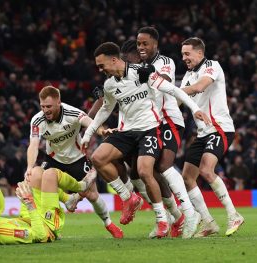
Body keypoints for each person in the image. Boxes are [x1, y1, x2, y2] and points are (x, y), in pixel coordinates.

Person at [82, 42, 210, 238]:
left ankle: (165, 220)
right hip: (126, 132)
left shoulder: (142, 73)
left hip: (149, 130)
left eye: (102, 65)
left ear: (114, 60)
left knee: (145, 171)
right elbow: (105, 109)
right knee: (98, 158)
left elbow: (172, 89)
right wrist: (88, 134)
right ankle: (128, 197)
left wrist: (195, 109)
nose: (100, 70)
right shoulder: (109, 84)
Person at [142, 37, 244, 237]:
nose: (184, 58)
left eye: (187, 54)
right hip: (202, 133)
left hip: (220, 128)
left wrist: (172, 91)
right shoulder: (187, 76)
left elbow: (199, 87)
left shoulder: (211, 66)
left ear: (200, 52)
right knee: (188, 177)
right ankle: (208, 222)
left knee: (207, 170)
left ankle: (234, 215)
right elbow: (177, 103)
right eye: (182, 55)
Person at [26, 85, 123, 238]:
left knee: (92, 195)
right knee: (37, 178)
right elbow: (33, 145)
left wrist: (101, 131)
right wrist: (29, 167)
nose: (45, 110)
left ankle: (108, 223)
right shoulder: (37, 120)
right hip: (53, 159)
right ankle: (48, 224)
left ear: (58, 102)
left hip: (77, 159)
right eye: (43, 106)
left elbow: (89, 122)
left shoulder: (72, 113)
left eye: (49, 106)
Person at [137, 26, 201, 238]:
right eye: (139, 44)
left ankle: (190, 213)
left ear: (155, 44)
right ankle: (172, 216)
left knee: (163, 165)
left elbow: (163, 80)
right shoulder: (139, 66)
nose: (142, 47)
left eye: (145, 43)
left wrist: (146, 75)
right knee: (148, 170)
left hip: (169, 120)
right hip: (151, 123)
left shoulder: (165, 62)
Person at [0, 169, 94, 245]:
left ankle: (69, 200)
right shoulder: (5, 234)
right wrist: (29, 202)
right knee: (50, 174)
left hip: (28, 218)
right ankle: (81, 186)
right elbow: (40, 236)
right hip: (46, 227)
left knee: (35, 172)